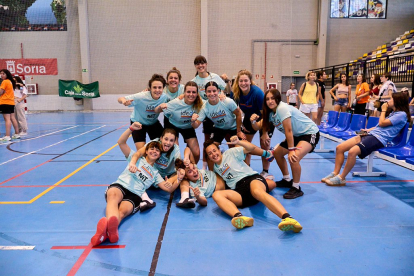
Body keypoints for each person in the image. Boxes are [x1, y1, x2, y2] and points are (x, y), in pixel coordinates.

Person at [90, 123, 181, 246]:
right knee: (113, 198)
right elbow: (121, 142)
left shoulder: (155, 173)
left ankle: (103, 233)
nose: (154, 150)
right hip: (121, 186)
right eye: (152, 148)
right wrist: (131, 129)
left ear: (159, 156)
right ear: (146, 151)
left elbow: (168, 189)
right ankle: (111, 230)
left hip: (135, 195)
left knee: (122, 212)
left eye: (157, 150)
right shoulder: (136, 158)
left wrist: (179, 179)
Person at [204, 137, 302, 232]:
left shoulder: (230, 153)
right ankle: (240, 217)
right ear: (208, 157)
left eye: (214, 151)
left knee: (257, 191)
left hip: (251, 179)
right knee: (216, 195)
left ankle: (287, 217)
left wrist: (239, 142)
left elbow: (251, 148)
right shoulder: (216, 169)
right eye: (210, 153)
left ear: (219, 150)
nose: (213, 154)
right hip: (240, 191)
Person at [323, 92, 411, 186]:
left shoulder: (402, 115)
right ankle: (335, 173)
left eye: (391, 99)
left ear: (398, 101)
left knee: (352, 152)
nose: (388, 101)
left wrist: (383, 110)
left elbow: (382, 123)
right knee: (340, 148)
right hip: (371, 134)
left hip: (378, 139)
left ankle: (341, 178)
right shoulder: (394, 113)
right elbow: (380, 126)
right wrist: (368, 130)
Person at [251, 89, 320, 199]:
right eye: (267, 99)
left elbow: (288, 131)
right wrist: (253, 121)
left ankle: (296, 187)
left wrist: (291, 150)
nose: (270, 101)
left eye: (273, 98)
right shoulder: (270, 112)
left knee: (294, 157)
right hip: (296, 136)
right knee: (277, 153)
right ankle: (287, 180)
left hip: (309, 133)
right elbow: (258, 126)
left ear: (278, 99)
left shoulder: (282, 108)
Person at [128, 128, 191, 211]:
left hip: (169, 176)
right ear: (161, 138)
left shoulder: (175, 149)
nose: (168, 143)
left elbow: (179, 166)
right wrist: (132, 163)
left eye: (171, 140)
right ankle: (145, 199)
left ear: (174, 142)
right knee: (137, 176)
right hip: (154, 174)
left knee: (183, 175)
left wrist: (172, 178)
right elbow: (138, 153)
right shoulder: (154, 144)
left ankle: (184, 198)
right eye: (166, 139)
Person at [230, 69, 274, 179]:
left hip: (265, 118)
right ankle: (246, 169)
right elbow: (236, 112)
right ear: (237, 82)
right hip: (249, 119)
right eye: (241, 81)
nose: (243, 83)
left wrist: (264, 133)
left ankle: (265, 171)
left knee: (264, 144)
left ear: (250, 81)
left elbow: (266, 114)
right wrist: (239, 129)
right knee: (245, 144)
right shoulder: (235, 92)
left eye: (246, 80)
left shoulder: (257, 93)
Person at [191, 81, 245, 168]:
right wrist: (193, 121)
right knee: (209, 147)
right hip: (219, 128)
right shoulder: (205, 107)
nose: (212, 93)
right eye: (209, 91)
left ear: (219, 91)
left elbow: (238, 114)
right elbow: (196, 125)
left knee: (239, 149)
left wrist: (239, 131)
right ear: (205, 93)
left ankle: (241, 168)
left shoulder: (227, 102)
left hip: (233, 127)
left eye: (214, 91)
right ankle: (210, 171)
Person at [154, 81, 203, 163]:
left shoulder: (200, 104)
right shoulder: (176, 103)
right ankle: (176, 169)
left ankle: (191, 168)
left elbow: (211, 103)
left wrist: (221, 96)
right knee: (175, 150)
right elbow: (156, 111)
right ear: (184, 93)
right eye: (188, 92)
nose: (191, 94)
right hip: (173, 125)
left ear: (197, 93)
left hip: (187, 126)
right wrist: (160, 107)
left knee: (196, 153)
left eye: (193, 92)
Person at [191, 55, 226, 169]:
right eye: (198, 64)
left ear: (206, 64)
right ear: (195, 66)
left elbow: (225, 88)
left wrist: (223, 94)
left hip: (220, 111)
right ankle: (205, 167)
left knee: (226, 138)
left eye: (202, 63)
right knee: (208, 141)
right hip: (205, 113)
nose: (200, 65)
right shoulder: (194, 81)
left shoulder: (214, 77)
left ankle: (225, 162)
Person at [118, 74, 167, 150]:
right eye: (154, 87)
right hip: (138, 123)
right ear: (150, 88)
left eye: (160, 87)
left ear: (163, 88)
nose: (157, 90)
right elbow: (120, 99)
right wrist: (124, 101)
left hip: (153, 123)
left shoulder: (165, 97)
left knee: (162, 146)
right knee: (142, 151)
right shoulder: (141, 96)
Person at [0, 69, 20, 142]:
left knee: (7, 119)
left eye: (3, 74)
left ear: (7, 74)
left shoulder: (5, 82)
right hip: (11, 102)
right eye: (1, 74)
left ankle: (7, 136)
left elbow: (0, 92)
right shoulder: (10, 82)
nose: (1, 75)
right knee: (13, 118)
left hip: (5, 102)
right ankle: (17, 134)